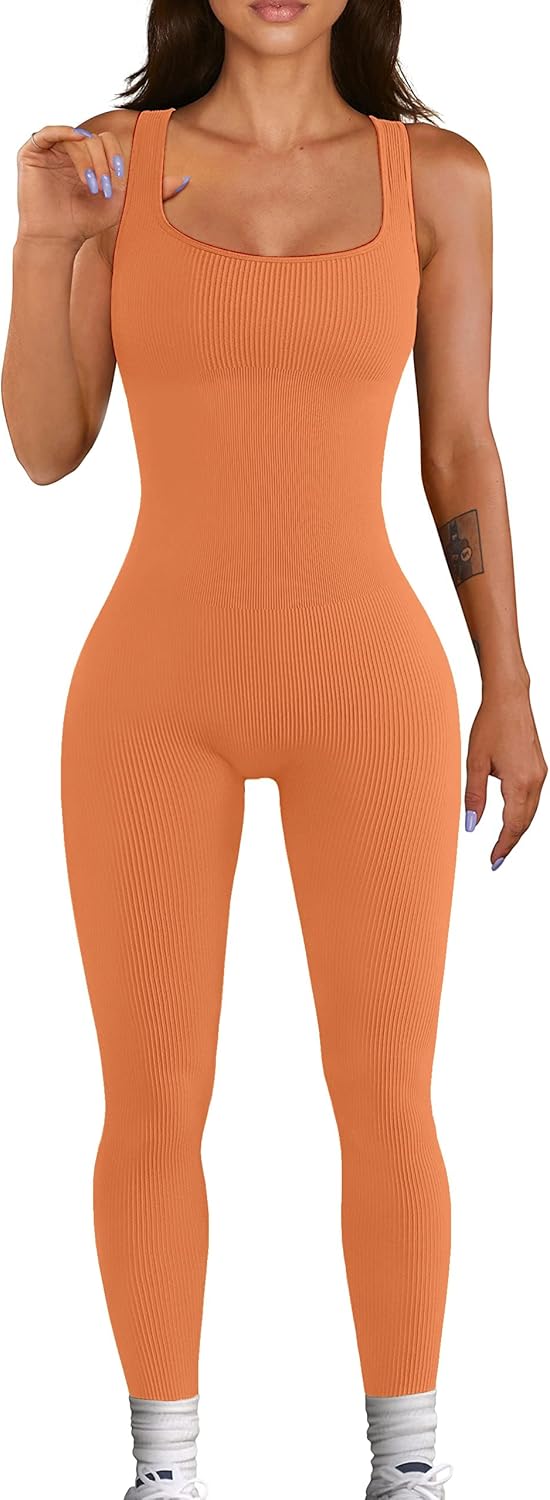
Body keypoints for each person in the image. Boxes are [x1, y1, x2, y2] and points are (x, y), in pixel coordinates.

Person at [2, 1, 547, 1497]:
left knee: (387, 1097)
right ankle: (164, 1473)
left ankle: (408, 1470)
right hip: (152, 692)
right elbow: (47, 449)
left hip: (367, 688)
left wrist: (506, 684)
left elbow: (459, 444)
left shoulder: (438, 177)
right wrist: (44, 247)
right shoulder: (111, 164)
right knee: (151, 1101)